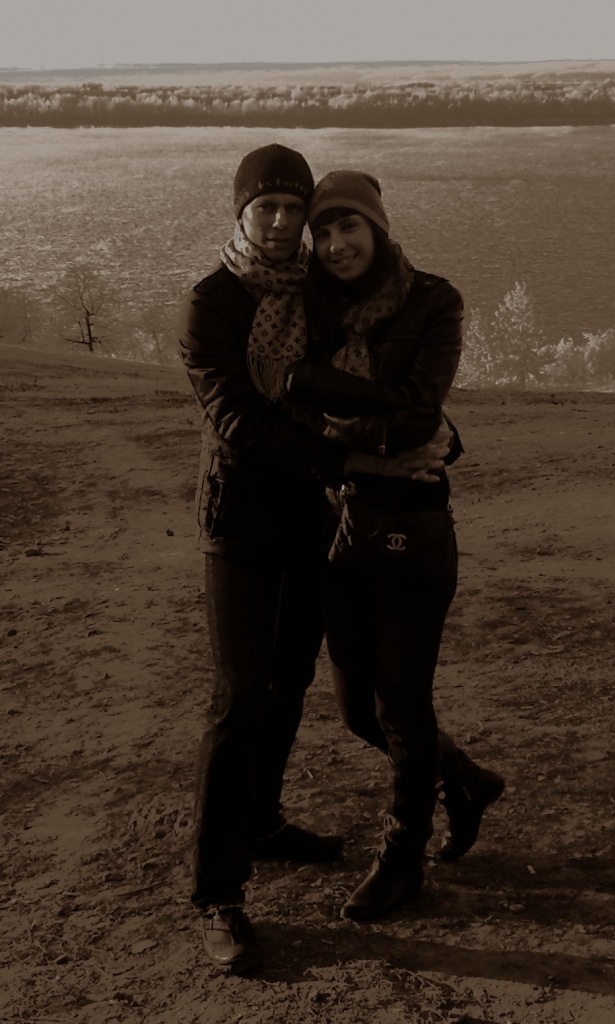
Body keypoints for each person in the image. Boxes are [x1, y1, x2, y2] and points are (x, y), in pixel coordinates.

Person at [178, 145, 450, 973]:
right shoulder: (211, 303)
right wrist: (356, 461)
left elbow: (374, 383)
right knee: (239, 696)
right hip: (240, 523)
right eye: (265, 207)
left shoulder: (316, 296)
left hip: (312, 522)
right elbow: (239, 421)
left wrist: (435, 435)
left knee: (290, 681)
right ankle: (217, 894)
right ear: (239, 213)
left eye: (293, 208)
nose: (281, 222)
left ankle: (261, 820)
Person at [283, 170, 504, 922]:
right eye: (321, 232)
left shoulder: (433, 300)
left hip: (414, 524)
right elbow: (297, 416)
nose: (335, 244)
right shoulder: (308, 307)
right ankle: (465, 779)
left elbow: (420, 416)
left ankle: (402, 858)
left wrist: (316, 395)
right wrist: (366, 429)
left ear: (377, 227)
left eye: (348, 226)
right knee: (357, 713)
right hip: (340, 523)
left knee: (402, 707)